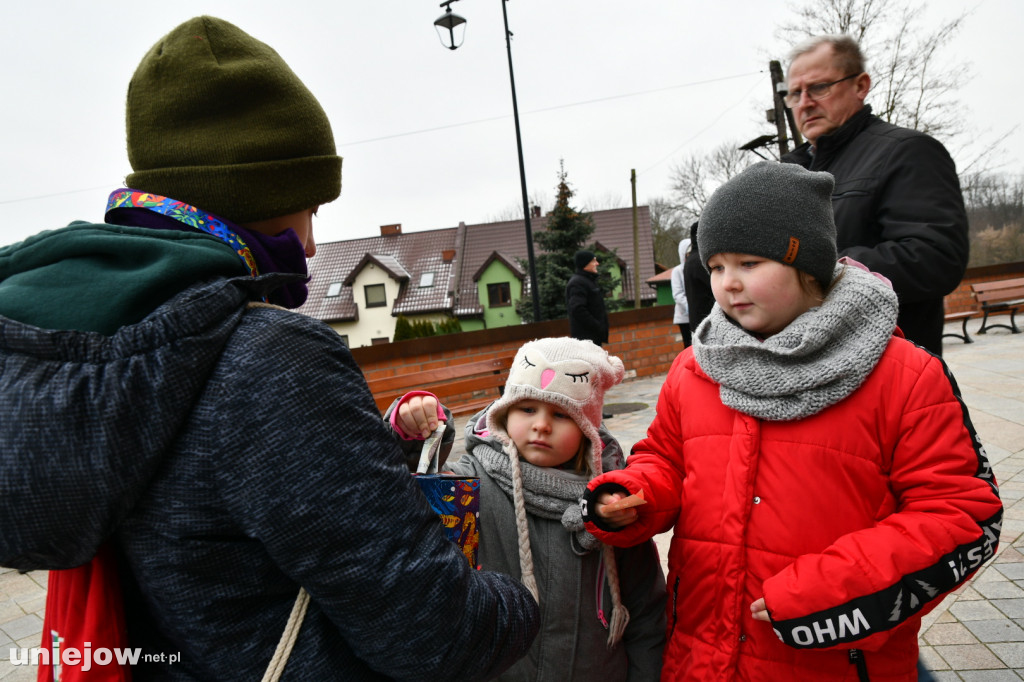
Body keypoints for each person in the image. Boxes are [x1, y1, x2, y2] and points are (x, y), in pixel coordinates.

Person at [0, 16, 539, 681]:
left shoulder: (103, 346)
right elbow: (435, 632)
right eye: (308, 206)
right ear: (254, 194)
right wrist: (520, 599)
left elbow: (219, 505)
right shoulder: (270, 358)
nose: (312, 243)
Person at [581, 162, 1002, 681]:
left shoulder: (905, 375)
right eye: (715, 267)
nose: (728, 285)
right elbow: (665, 457)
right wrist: (634, 493)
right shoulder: (694, 367)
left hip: (832, 660)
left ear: (809, 265)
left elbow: (962, 513)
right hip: (702, 657)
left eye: (750, 262)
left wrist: (834, 588)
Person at [397, 337, 666, 680]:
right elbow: (409, 495)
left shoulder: (612, 502)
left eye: (560, 414)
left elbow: (646, 610)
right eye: (527, 409)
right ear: (505, 413)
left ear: (587, 431)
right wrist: (411, 438)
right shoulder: (472, 483)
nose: (541, 424)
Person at [781, 34, 969, 356]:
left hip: (891, 371)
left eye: (819, 87)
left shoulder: (907, 151)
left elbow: (936, 258)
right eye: (795, 94)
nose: (805, 102)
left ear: (860, 86)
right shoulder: (787, 172)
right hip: (808, 368)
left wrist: (808, 269)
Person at [567, 249, 610, 346]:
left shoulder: (588, 281)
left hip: (593, 338)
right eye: (593, 261)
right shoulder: (577, 283)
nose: (597, 263)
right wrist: (597, 326)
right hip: (587, 340)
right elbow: (577, 309)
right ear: (585, 263)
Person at [682, 222, 715, 329]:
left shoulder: (690, 259)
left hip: (697, 321)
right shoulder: (700, 261)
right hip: (707, 322)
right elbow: (714, 286)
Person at [671, 238, 692, 347]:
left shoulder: (695, 269)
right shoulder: (677, 271)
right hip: (684, 317)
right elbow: (677, 294)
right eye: (688, 253)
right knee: (688, 345)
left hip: (695, 315)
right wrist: (690, 308)